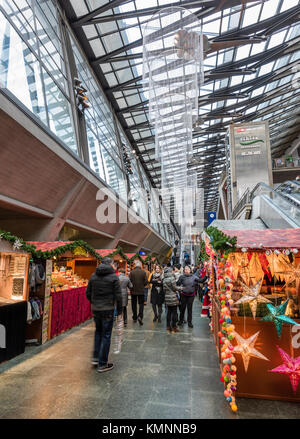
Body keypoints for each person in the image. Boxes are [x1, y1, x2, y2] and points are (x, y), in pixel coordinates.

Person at [86, 257, 122, 373]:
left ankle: (96, 359)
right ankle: (102, 363)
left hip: (96, 309)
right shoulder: (113, 277)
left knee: (98, 332)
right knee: (106, 335)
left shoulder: (93, 276)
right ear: (111, 265)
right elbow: (118, 296)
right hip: (108, 309)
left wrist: (94, 302)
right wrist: (120, 311)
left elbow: (88, 293)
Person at [129, 260, 148, 325]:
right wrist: (142, 286)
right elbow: (146, 281)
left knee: (133, 304)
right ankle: (140, 316)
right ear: (140, 265)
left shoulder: (132, 272)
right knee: (141, 304)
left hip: (133, 291)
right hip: (141, 291)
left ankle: (134, 317)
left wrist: (131, 288)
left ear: (135, 265)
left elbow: (129, 281)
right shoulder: (143, 272)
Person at [163, 267, 181, 333]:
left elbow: (164, 289)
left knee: (168, 313)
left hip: (167, 297)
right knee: (174, 312)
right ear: (170, 272)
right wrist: (181, 288)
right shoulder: (172, 278)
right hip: (173, 297)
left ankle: (168, 327)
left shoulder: (164, 279)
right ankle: (174, 327)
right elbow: (175, 288)